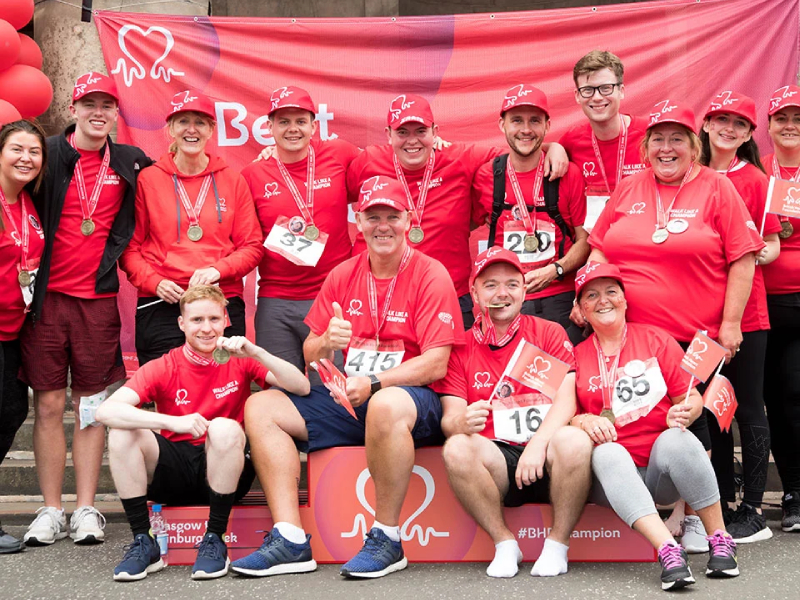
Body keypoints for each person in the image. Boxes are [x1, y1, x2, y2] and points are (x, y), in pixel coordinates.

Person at [231, 175, 464, 579]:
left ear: (408, 220)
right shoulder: (343, 274)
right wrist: (324, 341)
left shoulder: (431, 273)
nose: (383, 226)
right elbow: (308, 354)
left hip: (410, 402)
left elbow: (437, 363)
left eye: (391, 216)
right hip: (350, 398)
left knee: (386, 404)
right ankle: (290, 538)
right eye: (373, 217)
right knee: (261, 405)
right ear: (359, 221)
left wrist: (376, 384)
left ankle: (387, 538)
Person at [580, 99, 764, 550]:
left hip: (696, 335)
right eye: (658, 139)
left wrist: (731, 323)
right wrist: (588, 289)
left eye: (677, 139)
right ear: (646, 146)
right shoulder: (628, 188)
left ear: (693, 145)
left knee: (692, 423)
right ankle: (672, 513)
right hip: (636, 334)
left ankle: (701, 518)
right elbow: (600, 246)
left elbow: (743, 258)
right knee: (650, 418)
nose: (667, 148)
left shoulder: (718, 188)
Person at [95, 285, 310, 581]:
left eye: (213, 319)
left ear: (225, 320)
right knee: (121, 432)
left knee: (223, 427)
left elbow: (301, 386)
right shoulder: (165, 365)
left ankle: (215, 539)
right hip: (174, 470)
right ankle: (144, 542)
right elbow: (104, 411)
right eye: (197, 320)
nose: (206, 328)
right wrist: (172, 422)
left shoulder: (240, 357)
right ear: (182, 324)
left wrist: (257, 352)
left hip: (226, 468)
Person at [18, 73, 151, 547]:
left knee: (92, 407)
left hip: (97, 302)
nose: (98, 112)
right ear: (73, 108)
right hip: (46, 301)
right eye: (88, 103)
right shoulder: (46, 153)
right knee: (50, 404)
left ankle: (86, 507)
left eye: (107, 105)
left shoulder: (131, 161)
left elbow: (179, 174)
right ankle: (51, 508)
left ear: (116, 113)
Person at [571, 262, 739, 591]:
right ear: (580, 309)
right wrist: (584, 419)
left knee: (679, 439)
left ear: (625, 300)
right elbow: (563, 416)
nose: (603, 300)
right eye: (591, 295)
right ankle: (668, 551)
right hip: (610, 479)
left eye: (611, 292)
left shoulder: (655, 339)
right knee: (608, 453)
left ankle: (720, 538)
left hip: (659, 472)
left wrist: (686, 413)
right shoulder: (575, 355)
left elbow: (689, 398)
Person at [435, 247, 592, 578]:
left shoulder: (548, 332)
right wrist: (461, 422)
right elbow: (450, 419)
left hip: (546, 453)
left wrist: (537, 446)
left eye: (511, 284)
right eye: (490, 285)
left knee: (575, 441)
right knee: (457, 447)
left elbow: (567, 401)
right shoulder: (461, 347)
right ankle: (504, 542)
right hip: (498, 460)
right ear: (474, 292)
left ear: (524, 289)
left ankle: (558, 544)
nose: (501, 293)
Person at [347, 94, 569, 328]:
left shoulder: (459, 158)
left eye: (420, 131)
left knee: (451, 365)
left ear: (435, 131)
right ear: (388, 134)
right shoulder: (367, 161)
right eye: (403, 132)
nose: (412, 141)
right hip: (376, 295)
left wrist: (552, 147)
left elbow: (519, 152)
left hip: (448, 296)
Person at [120, 90, 263, 366]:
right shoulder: (148, 180)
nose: (191, 129)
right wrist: (154, 282)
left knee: (224, 389)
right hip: (162, 299)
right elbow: (129, 248)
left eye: (200, 122)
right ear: (170, 129)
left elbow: (252, 247)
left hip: (220, 299)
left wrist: (217, 270)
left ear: (211, 129)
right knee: (163, 393)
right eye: (183, 121)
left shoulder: (233, 180)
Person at [698, 91, 780, 543]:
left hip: (745, 312)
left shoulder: (756, 180)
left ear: (750, 134)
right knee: (709, 411)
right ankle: (720, 501)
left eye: (739, 124)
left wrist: (746, 251)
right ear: (706, 125)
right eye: (720, 120)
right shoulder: (687, 172)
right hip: (696, 313)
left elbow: (769, 244)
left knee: (748, 405)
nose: (728, 129)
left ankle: (753, 507)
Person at [241, 86, 359, 383]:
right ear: (269, 127)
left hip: (333, 298)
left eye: (300, 121)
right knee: (282, 390)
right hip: (276, 300)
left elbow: (386, 171)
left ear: (313, 126)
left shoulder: (339, 154)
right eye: (283, 122)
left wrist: (432, 140)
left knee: (334, 390)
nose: (293, 129)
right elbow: (245, 239)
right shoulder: (252, 175)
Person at [473, 85, 588, 344]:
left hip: (559, 298)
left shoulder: (568, 174)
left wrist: (556, 270)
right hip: (504, 301)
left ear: (547, 125)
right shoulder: (484, 176)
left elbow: (585, 240)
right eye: (517, 121)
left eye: (534, 120)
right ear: (502, 125)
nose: (526, 129)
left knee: (559, 378)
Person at [0, 120, 47, 554]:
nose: (26, 158)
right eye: (17, 149)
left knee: (11, 412)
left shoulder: (28, 203)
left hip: (13, 328)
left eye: (34, 151)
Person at [761, 84, 800, 533]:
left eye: (797, 119)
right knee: (772, 399)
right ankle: (792, 493)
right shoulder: (758, 170)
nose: (789, 126)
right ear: (769, 126)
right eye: (782, 119)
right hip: (762, 304)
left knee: (795, 395)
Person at [559, 50, 648, 232]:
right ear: (577, 95)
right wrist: (553, 147)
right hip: (591, 247)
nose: (597, 97)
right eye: (588, 90)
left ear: (621, 91)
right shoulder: (571, 141)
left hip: (643, 241)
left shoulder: (650, 134)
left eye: (606, 88)